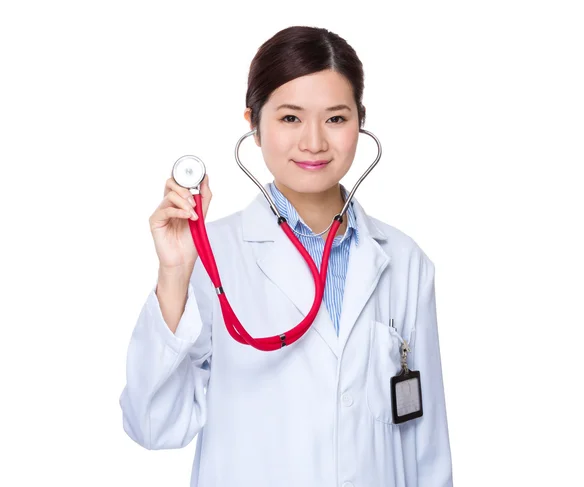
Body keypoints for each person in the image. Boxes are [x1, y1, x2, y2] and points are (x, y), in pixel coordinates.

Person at [119, 25, 453, 487]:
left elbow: (427, 446)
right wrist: (175, 274)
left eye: (335, 118)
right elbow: (154, 425)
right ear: (254, 125)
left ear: (361, 119)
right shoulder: (211, 256)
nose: (314, 142)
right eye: (290, 118)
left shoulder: (404, 261)